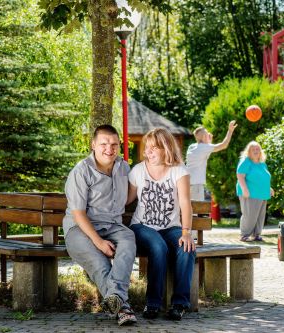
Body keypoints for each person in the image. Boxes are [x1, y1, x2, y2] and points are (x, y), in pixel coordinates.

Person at [62, 124, 137, 326]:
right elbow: (78, 213)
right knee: (101, 263)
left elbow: (129, 197)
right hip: (80, 229)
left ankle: (116, 300)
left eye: (114, 144)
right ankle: (123, 307)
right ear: (93, 145)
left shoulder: (123, 167)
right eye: (104, 144)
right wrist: (99, 242)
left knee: (129, 239)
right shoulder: (81, 171)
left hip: (113, 225)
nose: (109, 149)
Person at [127, 128, 196, 321]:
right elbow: (126, 199)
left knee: (187, 247)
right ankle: (153, 303)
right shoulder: (138, 171)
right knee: (158, 246)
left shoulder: (179, 171)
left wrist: (186, 232)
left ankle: (179, 303)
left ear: (166, 148)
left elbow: (185, 204)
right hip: (141, 227)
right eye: (147, 148)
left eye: (154, 148)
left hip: (170, 228)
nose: (148, 152)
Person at [186, 120, 237, 201]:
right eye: (207, 134)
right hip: (196, 184)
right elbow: (224, 145)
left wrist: (208, 142)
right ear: (203, 137)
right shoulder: (204, 147)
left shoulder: (192, 147)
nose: (209, 134)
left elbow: (205, 152)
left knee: (188, 210)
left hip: (187, 183)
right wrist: (230, 131)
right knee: (196, 210)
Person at [236, 141, 273, 242]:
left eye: (258, 149)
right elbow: (240, 175)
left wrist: (269, 188)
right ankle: (244, 235)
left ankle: (256, 235)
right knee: (250, 215)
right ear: (248, 151)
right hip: (250, 193)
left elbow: (264, 177)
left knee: (260, 216)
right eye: (253, 149)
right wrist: (244, 189)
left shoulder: (262, 163)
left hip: (262, 193)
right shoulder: (246, 161)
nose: (256, 151)